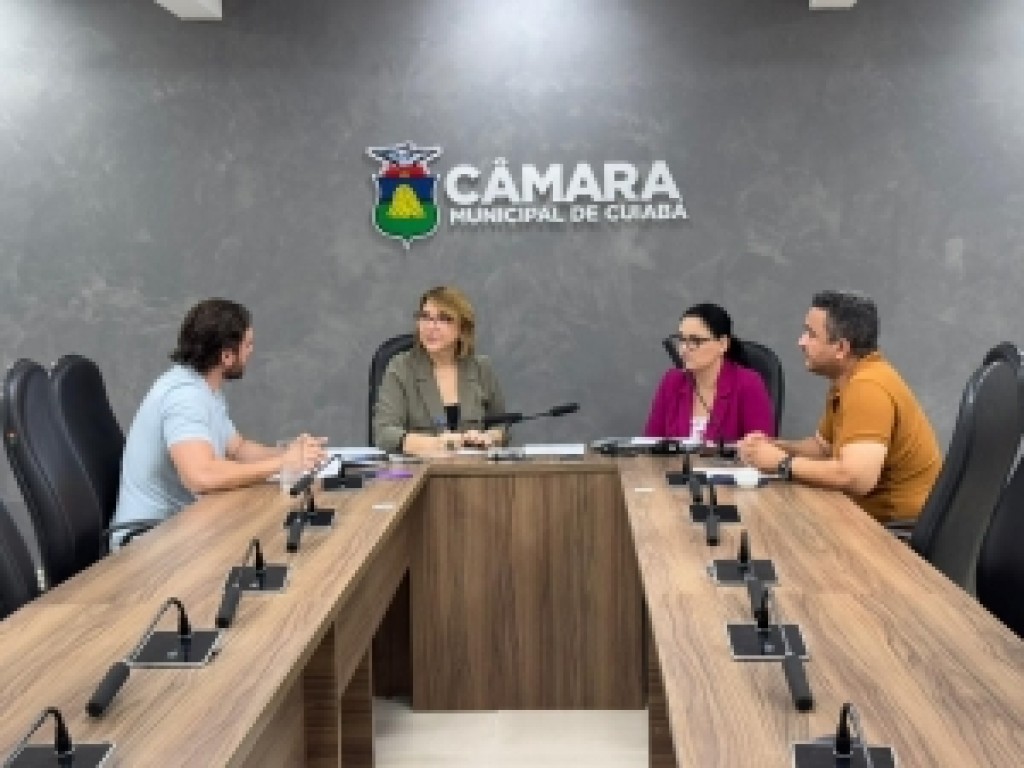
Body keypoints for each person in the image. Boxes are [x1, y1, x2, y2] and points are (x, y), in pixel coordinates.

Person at [113, 298, 325, 535]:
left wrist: (293, 453)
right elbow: (200, 475)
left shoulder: (203, 388)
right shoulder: (183, 397)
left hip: (182, 528)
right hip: (149, 541)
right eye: (248, 344)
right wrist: (282, 464)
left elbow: (237, 448)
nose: (251, 351)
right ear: (226, 357)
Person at [737, 290, 941, 524]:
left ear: (841, 348)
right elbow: (823, 448)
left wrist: (780, 462)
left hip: (892, 531)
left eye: (811, 334)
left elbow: (857, 478)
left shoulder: (868, 387)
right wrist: (773, 447)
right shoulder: (847, 379)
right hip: (865, 519)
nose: (801, 342)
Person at [373, 285, 506, 455]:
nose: (431, 327)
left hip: (474, 467)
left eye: (444, 319)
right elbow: (384, 434)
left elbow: (501, 425)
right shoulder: (401, 368)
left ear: (462, 329)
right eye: (425, 317)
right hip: (420, 468)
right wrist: (437, 443)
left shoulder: (481, 368)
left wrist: (490, 437)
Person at [644, 303, 775, 442]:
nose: (683, 349)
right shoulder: (672, 381)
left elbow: (761, 448)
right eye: (682, 340)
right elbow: (649, 444)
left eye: (695, 341)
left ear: (723, 344)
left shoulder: (748, 383)